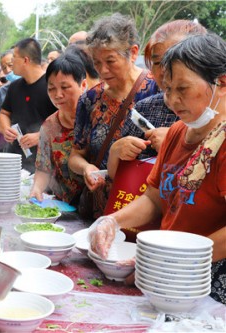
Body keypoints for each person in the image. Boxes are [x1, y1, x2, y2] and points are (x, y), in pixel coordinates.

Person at [89, 33, 226, 304]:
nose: (172, 100)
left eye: (183, 89)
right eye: (167, 89)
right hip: (168, 271)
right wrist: (113, 220)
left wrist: (172, 261)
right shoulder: (177, 132)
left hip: (206, 279)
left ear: (221, 83)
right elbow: (155, 198)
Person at [68, 13, 158, 219]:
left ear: (133, 53)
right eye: (96, 63)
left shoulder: (159, 92)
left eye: (110, 61)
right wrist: (87, 168)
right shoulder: (90, 100)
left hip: (146, 210)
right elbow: (75, 155)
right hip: (100, 210)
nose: (103, 70)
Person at [108, 20, 207, 178]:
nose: (164, 71)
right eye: (157, 62)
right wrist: (116, 151)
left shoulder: (214, 114)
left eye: (174, 60)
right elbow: (116, 176)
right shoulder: (143, 109)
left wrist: (176, 146)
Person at [30, 53, 87, 203]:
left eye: (65, 87)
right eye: (51, 89)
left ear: (83, 85)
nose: (58, 95)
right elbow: (43, 168)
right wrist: (37, 188)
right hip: (67, 208)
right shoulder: (49, 127)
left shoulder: (97, 117)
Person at [0, 38, 57, 172]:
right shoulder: (14, 87)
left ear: (25, 60)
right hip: (15, 160)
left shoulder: (52, 86)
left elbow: (66, 122)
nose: (11, 62)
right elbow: (4, 113)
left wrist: (41, 136)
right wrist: (6, 129)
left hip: (44, 166)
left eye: (14, 58)